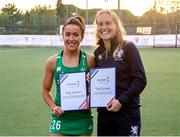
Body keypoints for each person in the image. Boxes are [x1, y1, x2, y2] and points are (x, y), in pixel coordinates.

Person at [93, 9, 147, 136]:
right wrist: (91, 80)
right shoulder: (98, 53)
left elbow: (140, 80)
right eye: (100, 24)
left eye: (108, 23)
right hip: (104, 115)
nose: (104, 27)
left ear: (116, 25)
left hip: (127, 114)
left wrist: (121, 101)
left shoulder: (128, 48)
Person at [42, 15, 96, 136]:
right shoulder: (52, 62)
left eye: (75, 35)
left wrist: (91, 84)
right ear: (62, 36)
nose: (71, 38)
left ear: (82, 36)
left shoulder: (90, 61)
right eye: (67, 34)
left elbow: (98, 90)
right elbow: (45, 90)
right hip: (61, 118)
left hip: (83, 119)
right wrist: (53, 107)